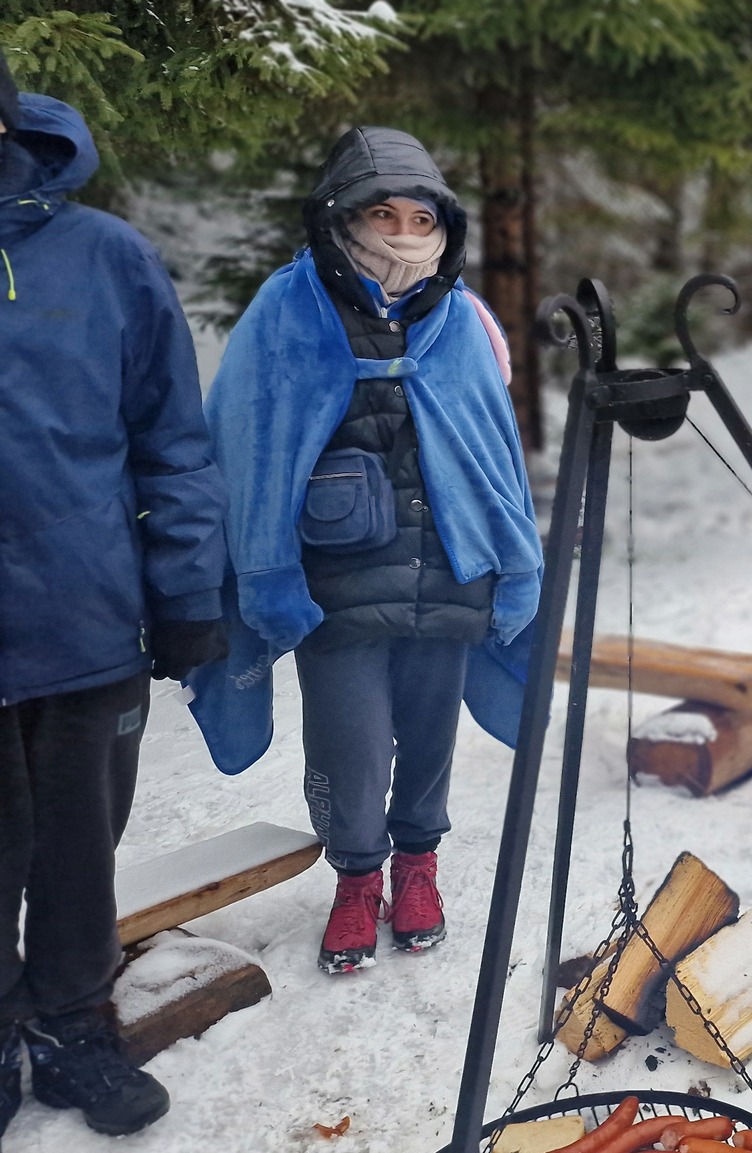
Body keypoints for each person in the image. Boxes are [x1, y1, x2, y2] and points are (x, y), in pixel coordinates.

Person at [197, 127, 541, 976]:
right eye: (383, 213)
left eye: (421, 218)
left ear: (444, 228)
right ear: (342, 215)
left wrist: (516, 559)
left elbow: (494, 447)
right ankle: (357, 878)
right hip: (335, 576)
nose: (402, 233)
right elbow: (247, 442)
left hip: (449, 564)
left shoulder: (461, 317)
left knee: (428, 736)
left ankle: (418, 866)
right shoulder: (288, 306)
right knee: (349, 743)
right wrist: (264, 568)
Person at [0, 62, 229, 1139]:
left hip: (82, 619)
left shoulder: (104, 256)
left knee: (78, 853)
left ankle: (74, 1025)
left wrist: (185, 589)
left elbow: (171, 441)